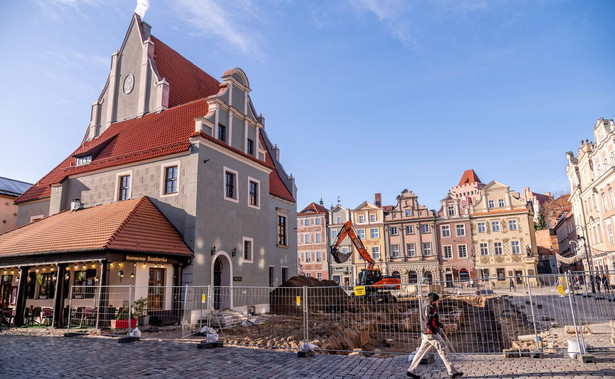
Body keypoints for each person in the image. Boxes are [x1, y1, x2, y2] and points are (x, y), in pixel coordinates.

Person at [406, 293, 463, 379]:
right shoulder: (429, 309)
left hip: (427, 334)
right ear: (433, 301)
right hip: (431, 334)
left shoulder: (430, 307)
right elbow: (428, 324)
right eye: (437, 300)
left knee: (421, 352)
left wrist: (442, 325)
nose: (439, 302)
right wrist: (434, 332)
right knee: (443, 351)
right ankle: (452, 372)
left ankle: (411, 371)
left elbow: (433, 320)